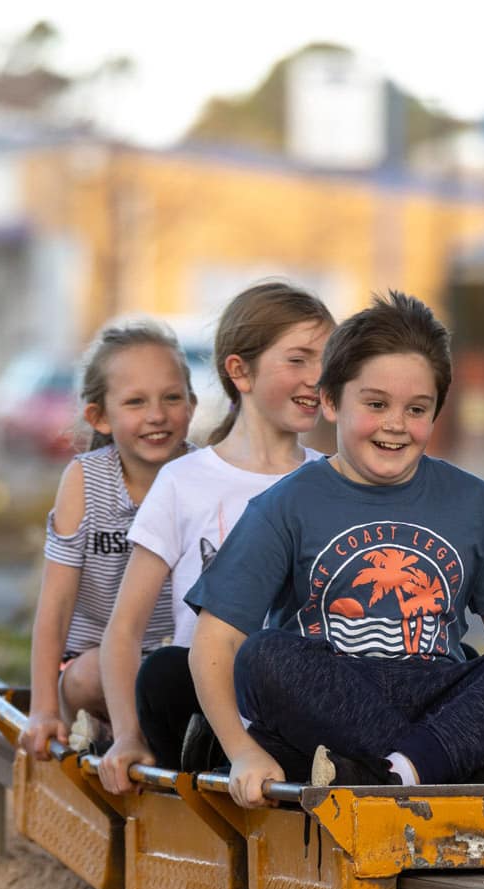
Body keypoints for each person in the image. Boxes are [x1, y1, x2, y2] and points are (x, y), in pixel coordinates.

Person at [185, 291, 484, 808]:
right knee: (263, 655)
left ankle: (395, 772)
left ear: (436, 412)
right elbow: (215, 644)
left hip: (442, 695)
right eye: (375, 404)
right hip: (333, 702)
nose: (395, 424)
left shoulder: (474, 502)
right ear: (332, 402)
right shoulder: (286, 504)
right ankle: (441, 767)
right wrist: (241, 751)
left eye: (416, 409)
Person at [95, 281, 334, 793]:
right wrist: (127, 736)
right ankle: (224, 766)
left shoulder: (334, 480)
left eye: (328, 359)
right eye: (298, 359)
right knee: (163, 670)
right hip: (207, 697)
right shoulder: (184, 482)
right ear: (239, 370)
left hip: (301, 695)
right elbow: (125, 630)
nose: (318, 377)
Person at [22, 320, 196, 760]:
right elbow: (56, 604)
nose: (157, 415)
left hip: (176, 662)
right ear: (100, 416)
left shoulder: (202, 477)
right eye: (136, 402)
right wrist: (42, 709)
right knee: (91, 676)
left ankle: (181, 746)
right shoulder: (85, 480)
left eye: (171, 398)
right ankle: (107, 733)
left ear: (192, 405)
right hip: (93, 666)